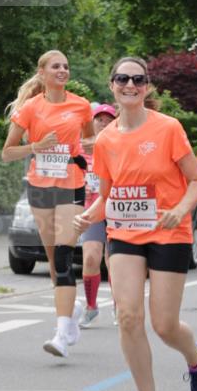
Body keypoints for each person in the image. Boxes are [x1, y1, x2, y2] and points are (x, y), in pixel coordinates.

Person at [74, 56, 197, 391]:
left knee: (164, 325)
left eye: (137, 79)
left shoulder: (168, 128)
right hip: (124, 233)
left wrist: (180, 210)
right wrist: (89, 216)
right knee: (128, 316)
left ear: (147, 87)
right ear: (112, 85)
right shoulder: (105, 139)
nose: (130, 85)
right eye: (122, 79)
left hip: (168, 231)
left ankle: (195, 358)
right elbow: (108, 195)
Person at [2, 51, 94, 358]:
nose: (62, 70)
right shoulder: (30, 108)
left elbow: (89, 141)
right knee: (54, 260)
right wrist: (36, 146)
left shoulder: (81, 105)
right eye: (56, 66)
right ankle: (72, 311)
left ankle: (61, 334)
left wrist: (94, 149)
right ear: (42, 73)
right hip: (40, 187)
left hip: (71, 184)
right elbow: (7, 152)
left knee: (64, 256)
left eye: (66, 66)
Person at [79, 103, 116, 326]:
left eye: (108, 120)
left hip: (116, 209)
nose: (103, 124)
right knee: (91, 257)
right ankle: (91, 307)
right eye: (99, 120)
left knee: (114, 260)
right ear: (91, 123)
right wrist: (78, 187)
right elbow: (70, 175)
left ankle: (119, 305)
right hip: (92, 209)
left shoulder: (119, 145)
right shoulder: (80, 148)